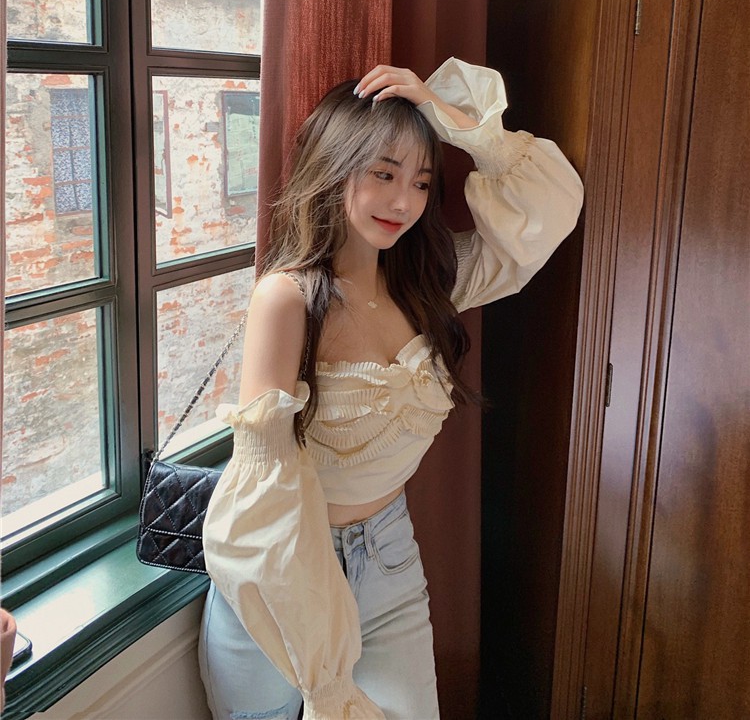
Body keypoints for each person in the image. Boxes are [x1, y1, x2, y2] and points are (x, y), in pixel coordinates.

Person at [199, 58, 583, 720]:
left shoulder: (431, 286)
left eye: (421, 181)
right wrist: (322, 669)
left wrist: (445, 115)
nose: (404, 202)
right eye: (383, 174)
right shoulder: (288, 299)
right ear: (335, 167)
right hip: (279, 572)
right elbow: (263, 493)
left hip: (388, 561)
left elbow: (552, 208)